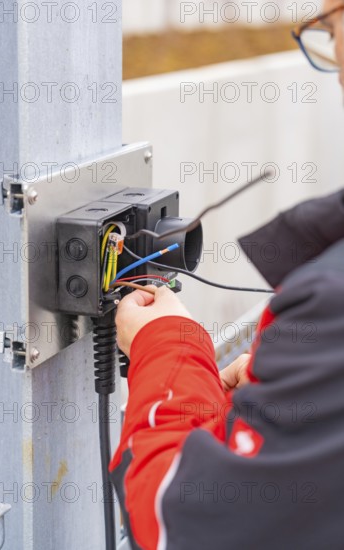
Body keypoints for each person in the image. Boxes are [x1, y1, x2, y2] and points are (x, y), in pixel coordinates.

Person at [110, 2, 344, 548]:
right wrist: (282, 392)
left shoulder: (331, 300)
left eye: (331, 28)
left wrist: (168, 349)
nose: (333, 61)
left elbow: (181, 518)